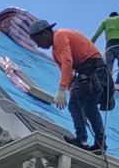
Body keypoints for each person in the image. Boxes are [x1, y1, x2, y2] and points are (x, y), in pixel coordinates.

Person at [28, 19, 109, 152]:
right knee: (82, 106)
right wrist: (70, 91)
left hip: (94, 69)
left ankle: (90, 141)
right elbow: (68, 72)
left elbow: (67, 61)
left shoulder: (60, 36)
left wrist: (61, 89)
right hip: (87, 71)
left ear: (45, 34)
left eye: (38, 42)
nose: (39, 46)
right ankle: (91, 141)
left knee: (84, 106)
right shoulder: (55, 52)